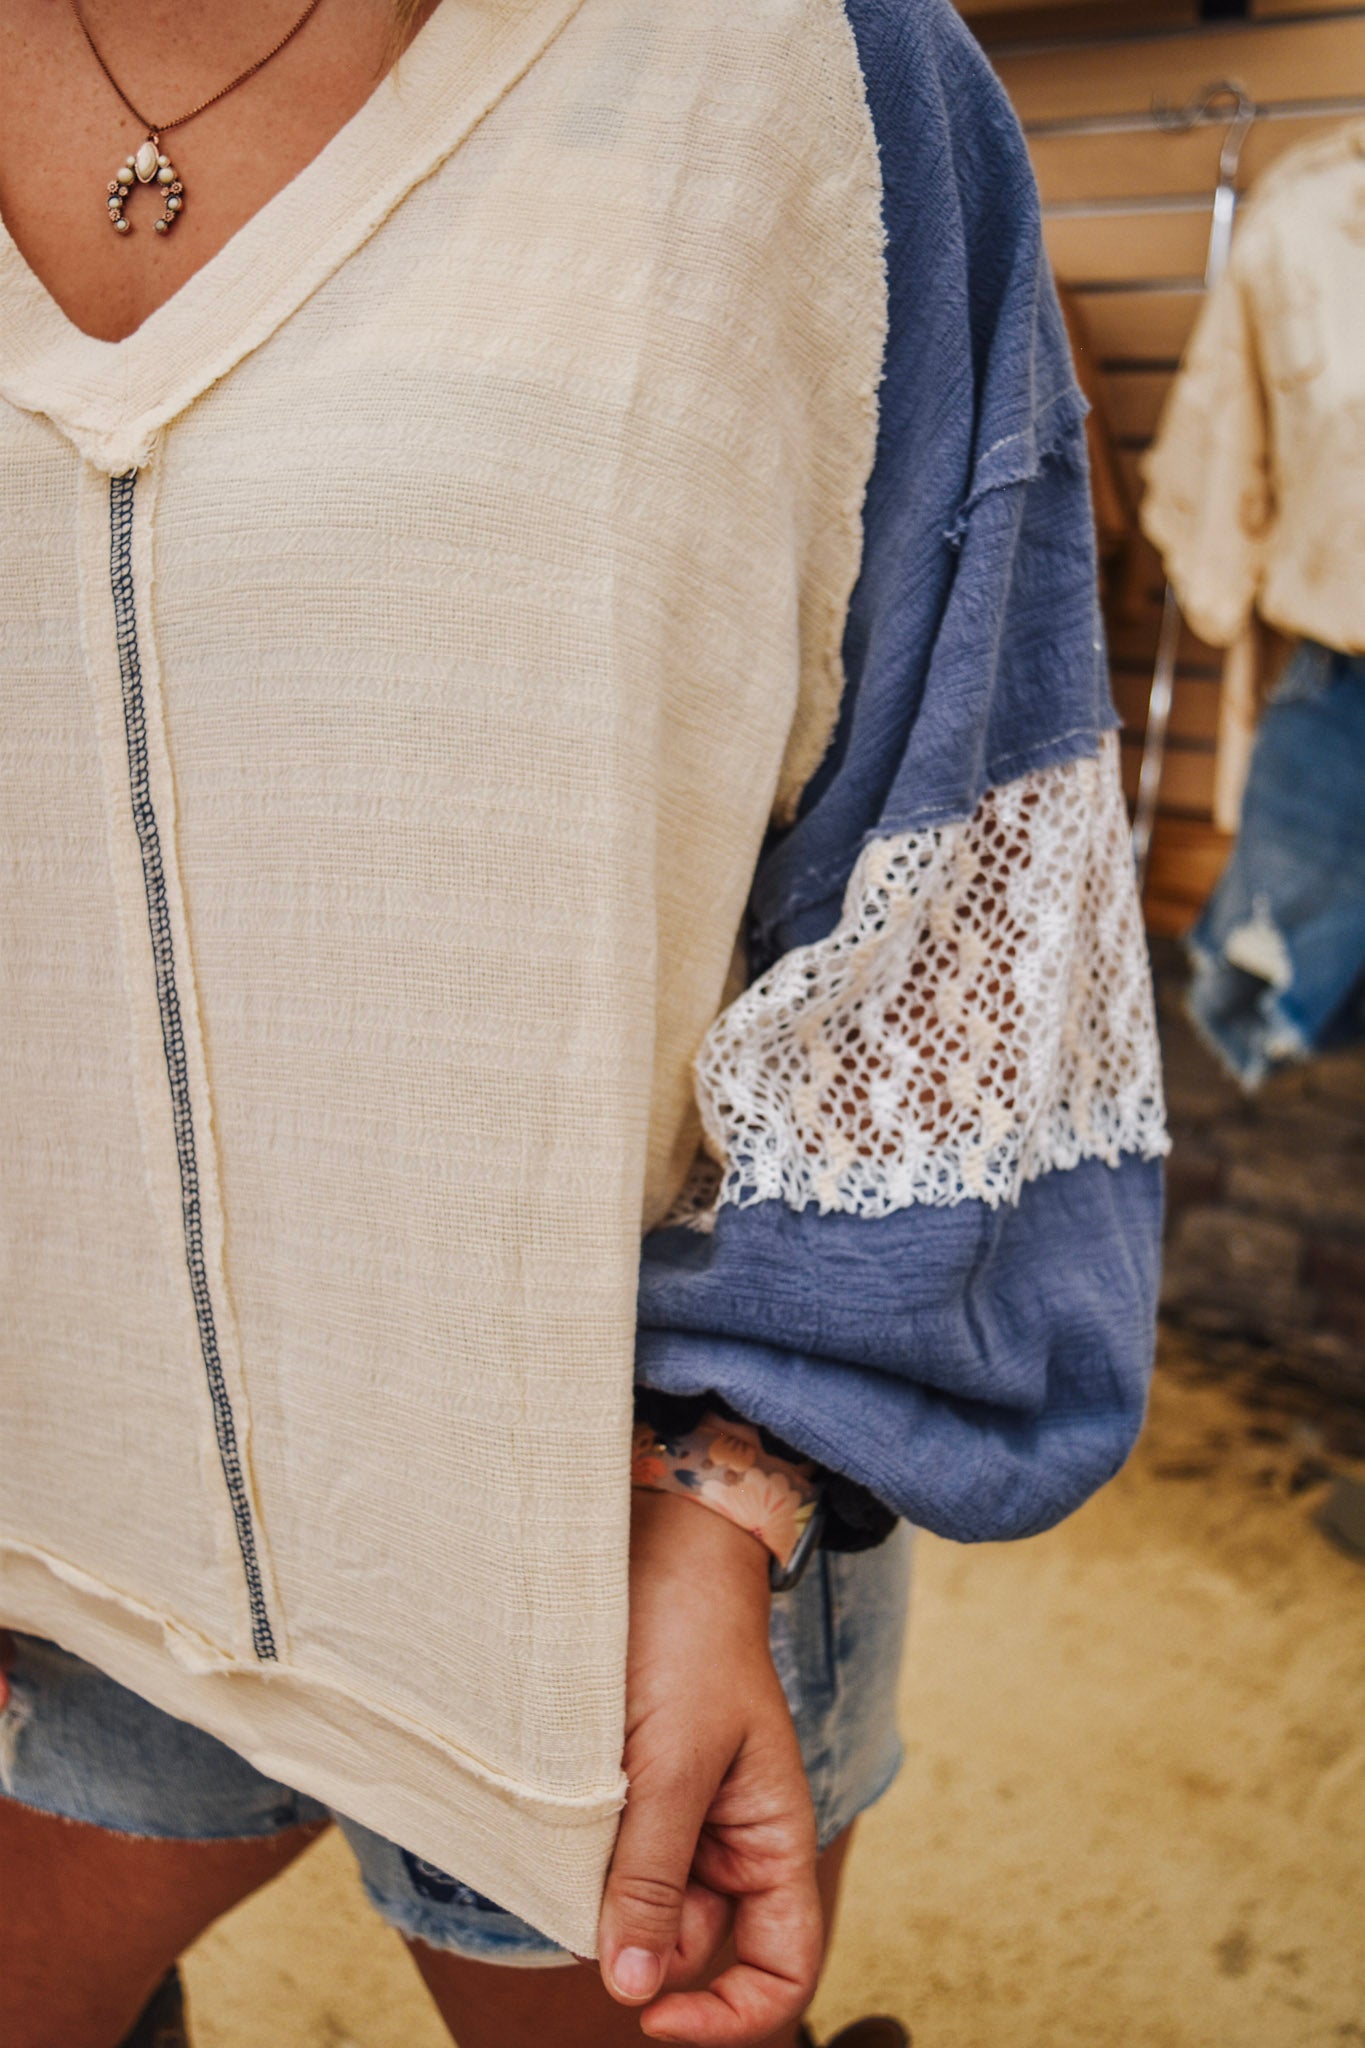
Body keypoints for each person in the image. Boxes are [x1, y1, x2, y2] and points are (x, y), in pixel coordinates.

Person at [0, 0, 1168, 2044]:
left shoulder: (801, 66)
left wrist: (726, 1484)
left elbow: (957, 828)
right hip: (53, 1518)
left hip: (624, 1541)